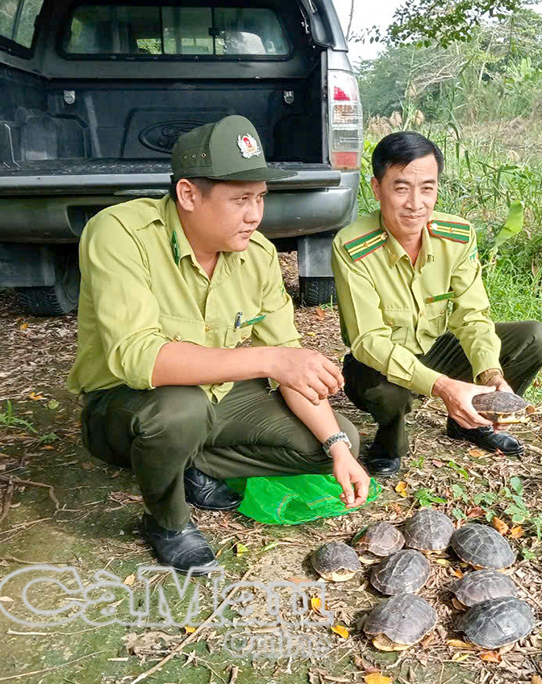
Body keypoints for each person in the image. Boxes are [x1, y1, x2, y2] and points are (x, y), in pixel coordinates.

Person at [67, 115, 370, 574]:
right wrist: (270, 358)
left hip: (217, 399)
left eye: (260, 198)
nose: (254, 214)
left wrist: (337, 447)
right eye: (240, 199)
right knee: (178, 413)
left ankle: (187, 461)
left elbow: (285, 360)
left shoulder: (259, 256)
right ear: (188, 194)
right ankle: (166, 521)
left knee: (337, 439)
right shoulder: (121, 234)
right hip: (126, 405)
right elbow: (137, 357)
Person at [331, 131, 542, 478]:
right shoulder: (352, 245)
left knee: (534, 337)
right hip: (376, 365)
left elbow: (473, 317)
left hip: (434, 347)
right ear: (377, 189)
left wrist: (490, 374)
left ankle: (471, 421)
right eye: (401, 188)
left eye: (427, 188)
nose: (415, 203)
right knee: (389, 391)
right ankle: (390, 441)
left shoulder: (458, 236)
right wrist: (444, 387)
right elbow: (369, 341)